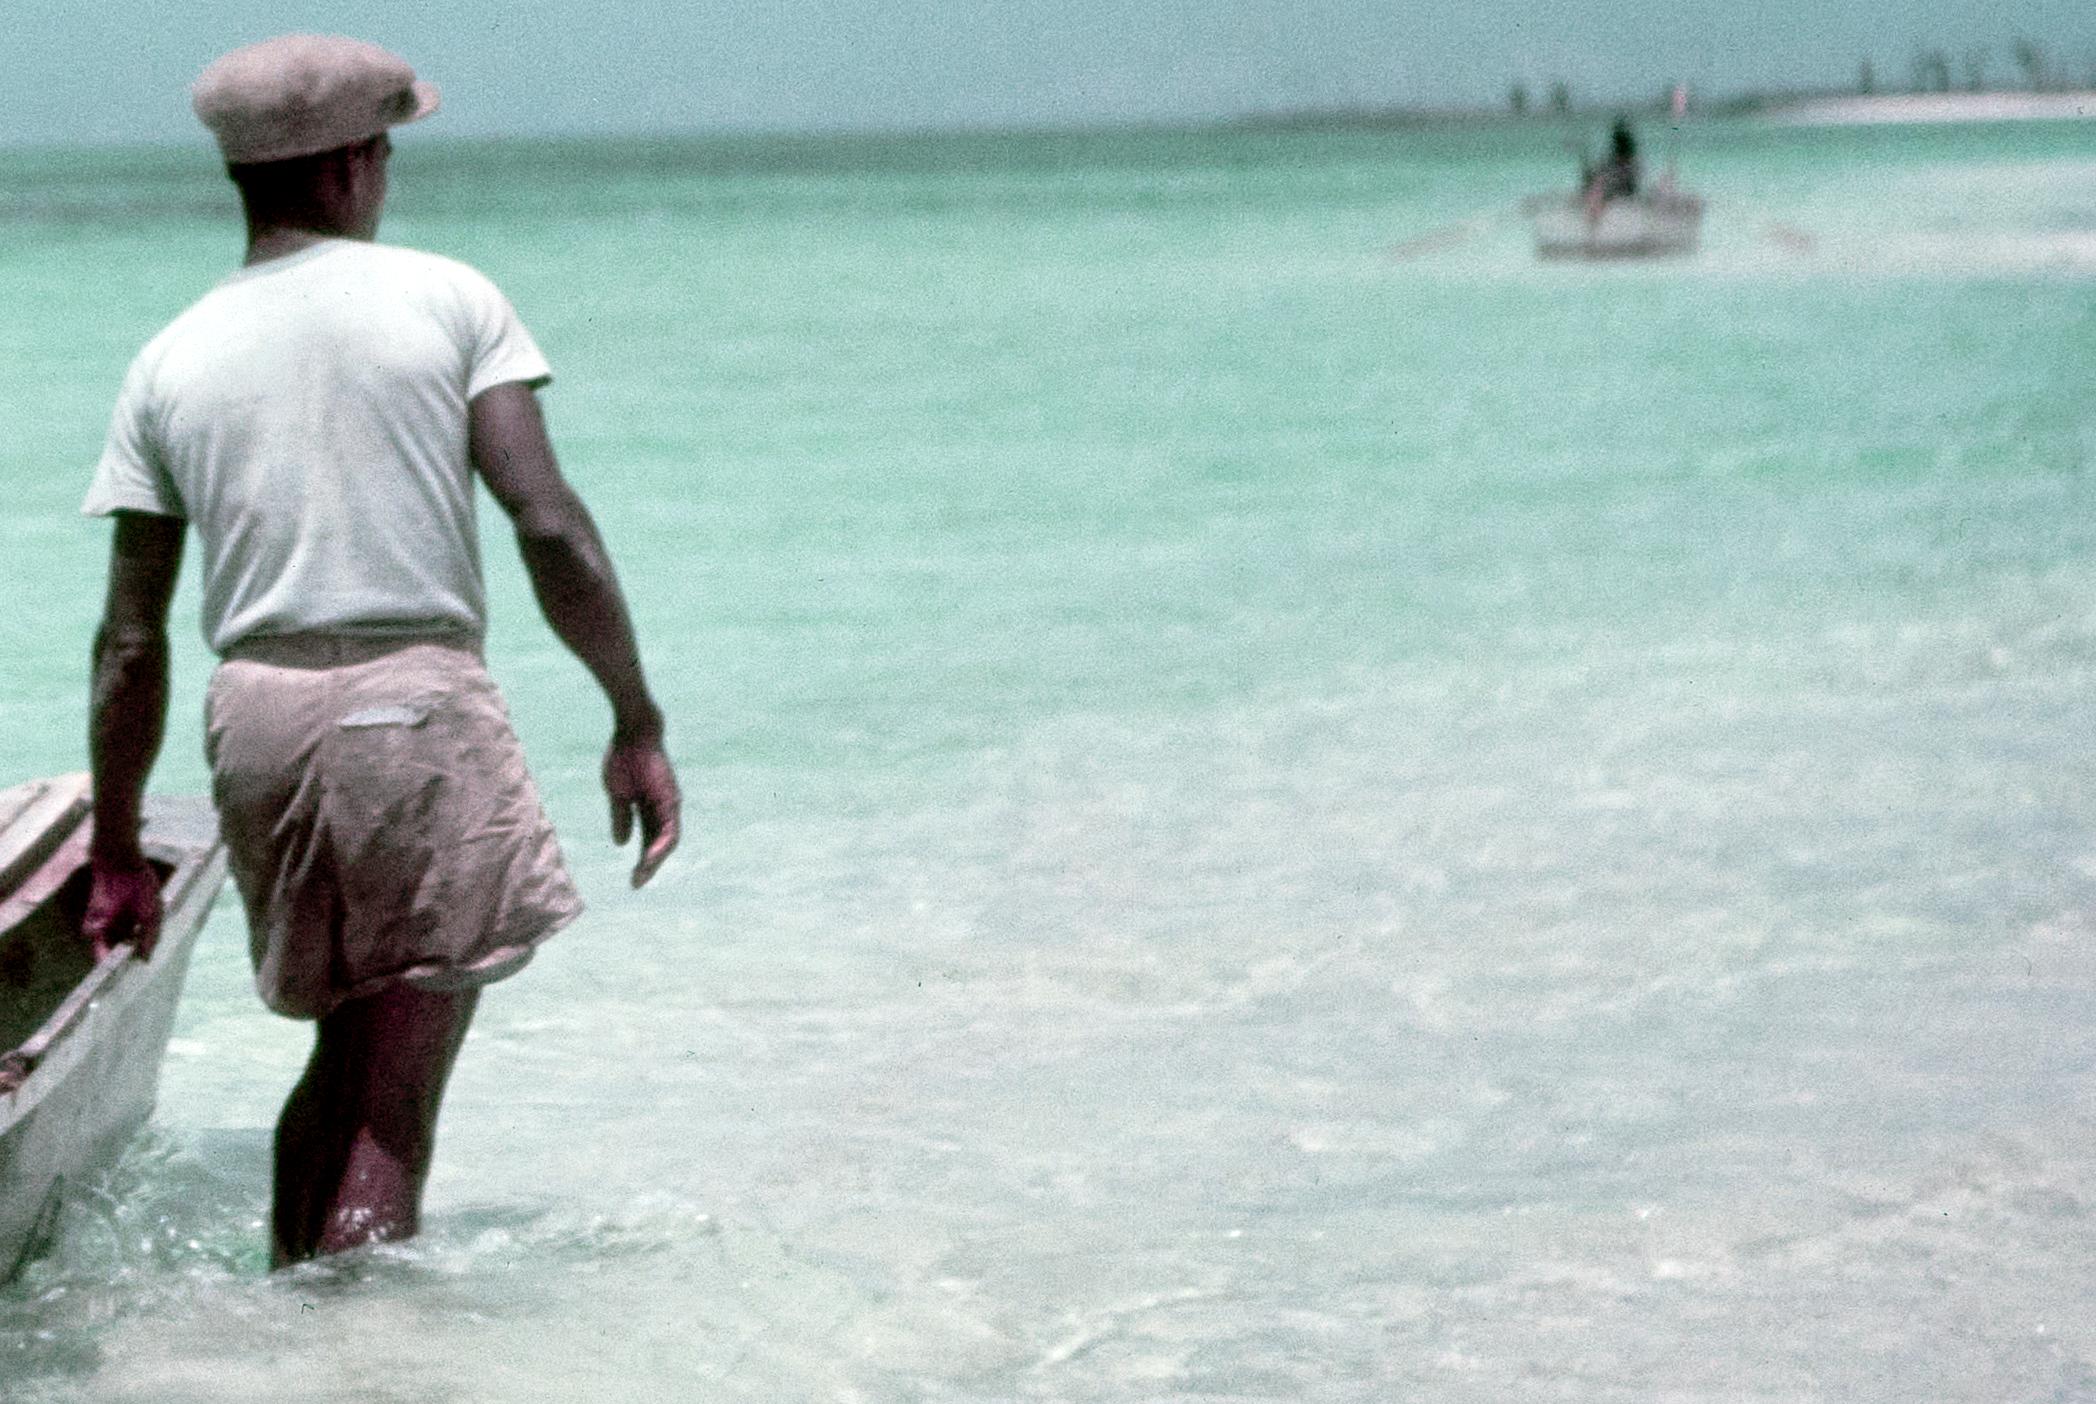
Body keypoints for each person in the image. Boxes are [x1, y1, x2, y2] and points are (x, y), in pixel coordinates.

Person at [77, 34, 682, 1268]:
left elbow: (129, 641)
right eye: (387, 151)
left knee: (343, 1051)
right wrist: (634, 718)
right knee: (396, 1098)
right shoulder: (448, 296)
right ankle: (361, 1364)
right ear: (355, 163)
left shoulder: (167, 359)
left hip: (255, 718)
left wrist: (115, 847)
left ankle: (284, 1322)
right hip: (411, 706)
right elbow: (549, 526)